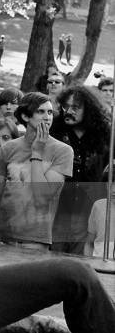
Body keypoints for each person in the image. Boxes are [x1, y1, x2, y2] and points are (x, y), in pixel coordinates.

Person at [0, 92, 73, 250]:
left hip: (35, 240)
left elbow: (43, 197)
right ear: (26, 116)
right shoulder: (8, 148)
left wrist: (36, 153)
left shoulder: (63, 151)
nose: (47, 117)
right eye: (40, 112)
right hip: (4, 237)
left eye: (50, 112)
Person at [51, 85, 111, 254]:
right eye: (66, 107)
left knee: (79, 262)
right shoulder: (55, 131)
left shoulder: (105, 134)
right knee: (55, 260)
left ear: (89, 109)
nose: (69, 111)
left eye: (75, 107)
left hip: (88, 210)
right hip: (58, 209)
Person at [84, 163, 115, 257]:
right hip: (98, 267)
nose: (113, 189)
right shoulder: (98, 206)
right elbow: (89, 243)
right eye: (110, 183)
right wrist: (89, 263)